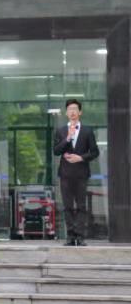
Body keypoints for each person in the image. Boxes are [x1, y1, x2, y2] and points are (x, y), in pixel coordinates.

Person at [53, 98, 100, 246]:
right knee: (67, 206)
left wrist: (81, 157)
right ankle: (70, 236)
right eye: (70, 109)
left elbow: (95, 152)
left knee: (81, 206)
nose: (72, 112)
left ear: (80, 112)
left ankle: (80, 237)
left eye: (75, 109)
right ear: (66, 113)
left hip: (81, 174)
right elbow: (56, 151)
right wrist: (67, 138)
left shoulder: (87, 131)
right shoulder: (61, 131)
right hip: (65, 174)